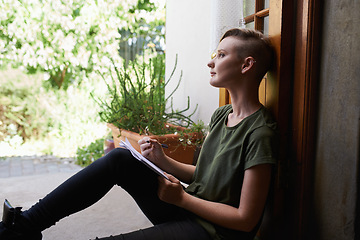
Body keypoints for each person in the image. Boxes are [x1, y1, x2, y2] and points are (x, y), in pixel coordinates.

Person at [0, 28, 277, 240]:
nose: (211, 62)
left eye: (221, 55)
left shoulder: (260, 132)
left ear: (246, 65)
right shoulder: (221, 115)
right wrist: (162, 160)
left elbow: (245, 219)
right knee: (120, 159)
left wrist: (182, 199)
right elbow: (204, 175)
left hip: (214, 231)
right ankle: (24, 226)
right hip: (189, 207)